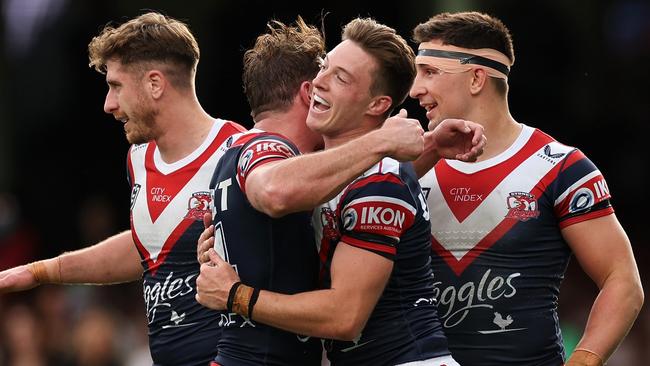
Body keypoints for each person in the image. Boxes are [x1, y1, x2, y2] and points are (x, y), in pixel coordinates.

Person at [0, 12, 480, 366]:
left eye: (115, 87)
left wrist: (234, 296)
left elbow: (286, 195)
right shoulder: (142, 160)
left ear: (154, 83)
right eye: (322, 73)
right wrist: (45, 270)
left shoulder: (250, 149)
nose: (107, 104)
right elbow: (152, 243)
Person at [196, 17, 471, 366]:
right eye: (325, 67)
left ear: (377, 105)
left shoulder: (380, 178)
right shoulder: (351, 169)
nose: (318, 82)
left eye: (340, 78)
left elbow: (344, 316)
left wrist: (236, 295)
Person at [410, 11, 644, 366]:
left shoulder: (561, 167)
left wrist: (583, 360)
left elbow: (622, 280)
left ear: (476, 79)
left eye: (429, 72)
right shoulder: (409, 167)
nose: (415, 89)